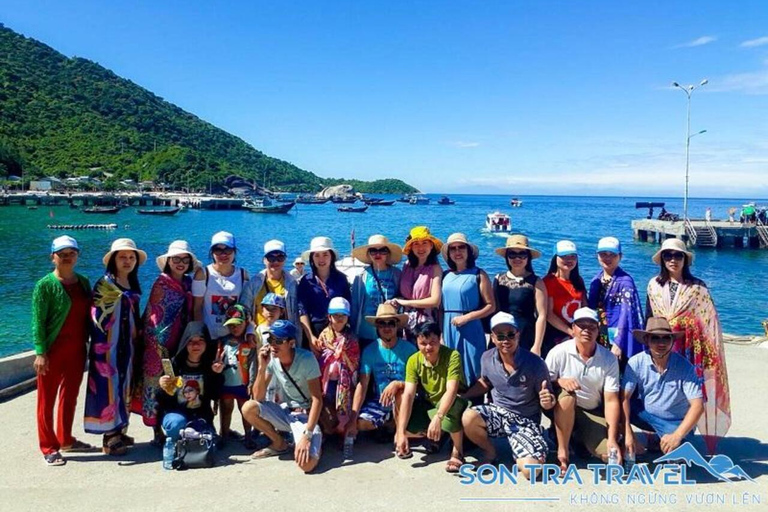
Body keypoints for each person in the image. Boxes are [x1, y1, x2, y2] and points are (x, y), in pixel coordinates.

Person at [645, 238, 730, 453]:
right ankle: (659, 433)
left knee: (687, 391)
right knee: (660, 389)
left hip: (689, 348)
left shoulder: (697, 287)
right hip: (660, 344)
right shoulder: (653, 285)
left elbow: (709, 321)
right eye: (668, 255)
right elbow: (649, 316)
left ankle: (683, 435)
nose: (673, 260)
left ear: (685, 259)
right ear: (662, 259)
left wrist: (710, 354)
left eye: (678, 255)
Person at [461, 312, 554, 480]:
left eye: (510, 334)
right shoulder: (486, 358)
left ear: (518, 334)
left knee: (531, 472)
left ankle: (533, 449)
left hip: (525, 421)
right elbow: (485, 382)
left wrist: (547, 401)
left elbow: (548, 401)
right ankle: (490, 452)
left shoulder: (535, 363)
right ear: (494, 338)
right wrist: (463, 395)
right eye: (500, 336)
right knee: (469, 417)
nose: (506, 340)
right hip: (499, 414)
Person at [32, 236, 94, 466]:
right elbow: (37, 322)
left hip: (77, 349)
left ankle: (66, 439)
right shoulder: (45, 285)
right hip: (53, 350)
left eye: (71, 253)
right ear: (53, 257)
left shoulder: (84, 282)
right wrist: (40, 352)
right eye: (62, 253)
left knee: (70, 397)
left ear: (77, 256)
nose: (67, 257)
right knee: (46, 401)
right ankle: (48, 446)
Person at [133, 240, 200, 445]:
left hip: (182, 342)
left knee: (180, 385)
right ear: (168, 261)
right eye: (176, 259)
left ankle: (181, 424)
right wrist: (158, 346)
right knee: (157, 387)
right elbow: (154, 316)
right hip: (159, 345)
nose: (180, 263)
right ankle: (157, 430)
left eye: (185, 259)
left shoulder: (189, 283)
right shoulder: (161, 283)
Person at [84, 238, 147, 456]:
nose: (128, 261)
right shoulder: (105, 284)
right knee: (108, 387)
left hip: (127, 345)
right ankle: (109, 436)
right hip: (108, 347)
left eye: (131, 257)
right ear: (113, 260)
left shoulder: (132, 283)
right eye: (123, 257)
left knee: (125, 385)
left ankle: (120, 429)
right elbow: (96, 316)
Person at [545, 307, 621, 474]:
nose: (587, 330)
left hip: (591, 411)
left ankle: (578, 437)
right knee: (567, 397)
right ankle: (562, 451)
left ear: (598, 330)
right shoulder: (558, 352)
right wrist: (560, 381)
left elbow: (611, 400)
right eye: (581, 325)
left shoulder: (608, 358)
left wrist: (613, 439)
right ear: (573, 329)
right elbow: (543, 382)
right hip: (561, 407)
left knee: (609, 456)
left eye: (592, 326)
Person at [241, 320, 324, 473]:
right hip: (286, 412)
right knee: (248, 408)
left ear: (291, 343)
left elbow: (317, 399)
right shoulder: (272, 360)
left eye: (278, 341)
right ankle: (279, 443)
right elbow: (257, 398)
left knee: (307, 465)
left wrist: (308, 435)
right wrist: (262, 367)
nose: (273, 345)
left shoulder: (307, 359)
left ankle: (312, 441)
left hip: (304, 415)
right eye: (270, 339)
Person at [623, 318, 704, 457]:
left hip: (675, 421)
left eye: (666, 338)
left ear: (672, 341)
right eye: (655, 338)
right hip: (645, 415)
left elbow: (698, 406)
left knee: (680, 455)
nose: (661, 343)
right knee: (613, 402)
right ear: (647, 340)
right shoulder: (636, 362)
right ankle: (626, 440)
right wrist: (629, 434)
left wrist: (677, 436)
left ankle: (664, 438)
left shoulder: (685, 367)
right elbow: (623, 398)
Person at [397, 321, 467, 473]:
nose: (428, 347)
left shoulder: (452, 355)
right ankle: (439, 435)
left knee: (451, 405)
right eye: (423, 343)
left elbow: (452, 390)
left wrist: (438, 417)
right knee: (407, 425)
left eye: (432, 342)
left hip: (453, 400)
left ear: (440, 339)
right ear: (416, 342)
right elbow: (409, 394)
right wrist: (400, 432)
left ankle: (458, 451)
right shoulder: (413, 360)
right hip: (429, 403)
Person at [347, 303, 416, 441]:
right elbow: (363, 384)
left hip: (407, 399)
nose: (387, 327)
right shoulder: (370, 350)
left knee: (401, 393)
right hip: (381, 401)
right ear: (377, 326)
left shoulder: (410, 350)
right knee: (361, 424)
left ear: (397, 325)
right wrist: (352, 419)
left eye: (391, 323)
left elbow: (417, 382)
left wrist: (398, 384)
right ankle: (389, 423)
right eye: (382, 323)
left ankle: (399, 432)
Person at [440, 233, 495, 387]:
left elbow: (491, 306)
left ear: (468, 251)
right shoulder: (445, 275)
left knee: (473, 367)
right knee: (451, 369)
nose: (457, 252)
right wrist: (440, 333)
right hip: (448, 326)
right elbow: (440, 308)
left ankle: (475, 404)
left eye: (461, 247)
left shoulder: (479, 274)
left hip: (471, 327)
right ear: (449, 253)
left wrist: (467, 317)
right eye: (453, 249)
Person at [157, 321, 224, 442]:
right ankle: (177, 440)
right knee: (176, 424)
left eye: (200, 341)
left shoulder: (210, 365)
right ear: (185, 343)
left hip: (201, 416)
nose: (196, 345)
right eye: (191, 341)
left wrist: (216, 375)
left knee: (208, 440)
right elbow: (162, 400)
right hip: (177, 414)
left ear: (206, 343)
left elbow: (215, 394)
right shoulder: (174, 364)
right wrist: (162, 387)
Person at [586, 237, 644, 366]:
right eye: (603, 254)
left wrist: (619, 343)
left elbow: (626, 314)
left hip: (617, 337)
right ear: (597, 256)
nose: (607, 258)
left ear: (620, 256)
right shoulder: (596, 280)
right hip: (600, 335)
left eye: (612, 254)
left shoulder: (625, 281)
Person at [492, 234, 548, 355]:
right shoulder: (498, 279)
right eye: (512, 254)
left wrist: (537, 345)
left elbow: (542, 315)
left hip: (526, 336)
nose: (517, 258)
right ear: (507, 257)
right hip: (502, 335)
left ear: (528, 258)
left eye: (522, 254)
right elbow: (494, 309)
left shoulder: (536, 281)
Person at [239, 239, 300, 342]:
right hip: (259, 337)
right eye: (271, 258)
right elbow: (245, 311)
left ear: (285, 259)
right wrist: (249, 332)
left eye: (280, 257)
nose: (276, 262)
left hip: (284, 340)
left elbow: (296, 315)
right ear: (264, 260)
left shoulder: (293, 284)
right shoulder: (253, 284)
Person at [315, 297, 360, 436]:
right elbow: (319, 356)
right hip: (326, 378)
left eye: (343, 315)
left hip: (344, 379)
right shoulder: (323, 335)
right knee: (326, 403)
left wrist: (342, 355)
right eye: (336, 315)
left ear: (348, 317)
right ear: (329, 316)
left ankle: (343, 432)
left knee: (343, 406)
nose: (339, 318)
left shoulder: (352, 338)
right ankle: (328, 430)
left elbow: (355, 361)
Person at [297, 236, 351, 350]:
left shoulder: (341, 279)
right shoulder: (306, 281)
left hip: (338, 332)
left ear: (331, 256)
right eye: (317, 255)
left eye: (325, 254)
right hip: (313, 333)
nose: (321, 259)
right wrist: (310, 337)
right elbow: (302, 311)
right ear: (312, 258)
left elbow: (349, 307)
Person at [193, 231, 249, 340]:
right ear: (212, 253)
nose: (223, 254)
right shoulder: (203, 274)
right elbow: (197, 307)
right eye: (218, 250)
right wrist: (200, 335)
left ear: (234, 251)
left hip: (234, 336)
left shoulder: (243, 275)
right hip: (209, 336)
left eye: (228, 250)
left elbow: (245, 307)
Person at [390, 226, 443, 341]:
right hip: (405, 322)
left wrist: (405, 302)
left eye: (425, 243)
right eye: (416, 244)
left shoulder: (435, 268)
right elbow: (402, 294)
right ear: (411, 247)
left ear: (431, 245)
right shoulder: (407, 265)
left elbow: (435, 301)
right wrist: (395, 301)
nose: (421, 248)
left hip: (426, 324)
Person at [350, 235, 403, 348]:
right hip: (366, 332)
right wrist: (353, 332)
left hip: (391, 330)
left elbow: (403, 297)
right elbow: (355, 306)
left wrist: (397, 301)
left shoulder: (397, 274)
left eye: (382, 250)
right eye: (373, 251)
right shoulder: (361, 276)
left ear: (388, 253)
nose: (378, 254)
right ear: (369, 254)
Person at [215, 304, 257, 446]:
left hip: (242, 383)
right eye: (231, 325)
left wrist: (252, 382)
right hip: (226, 382)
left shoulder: (249, 343)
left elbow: (252, 364)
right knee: (226, 410)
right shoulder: (222, 342)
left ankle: (248, 436)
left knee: (245, 410)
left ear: (246, 324)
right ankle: (224, 435)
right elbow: (217, 360)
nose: (235, 328)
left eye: (238, 324)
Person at [542, 240, 586, 358]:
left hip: (576, 332)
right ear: (555, 258)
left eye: (573, 256)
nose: (569, 260)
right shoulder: (548, 282)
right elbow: (549, 314)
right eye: (564, 256)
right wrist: (570, 332)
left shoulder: (578, 281)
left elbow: (584, 307)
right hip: (555, 333)